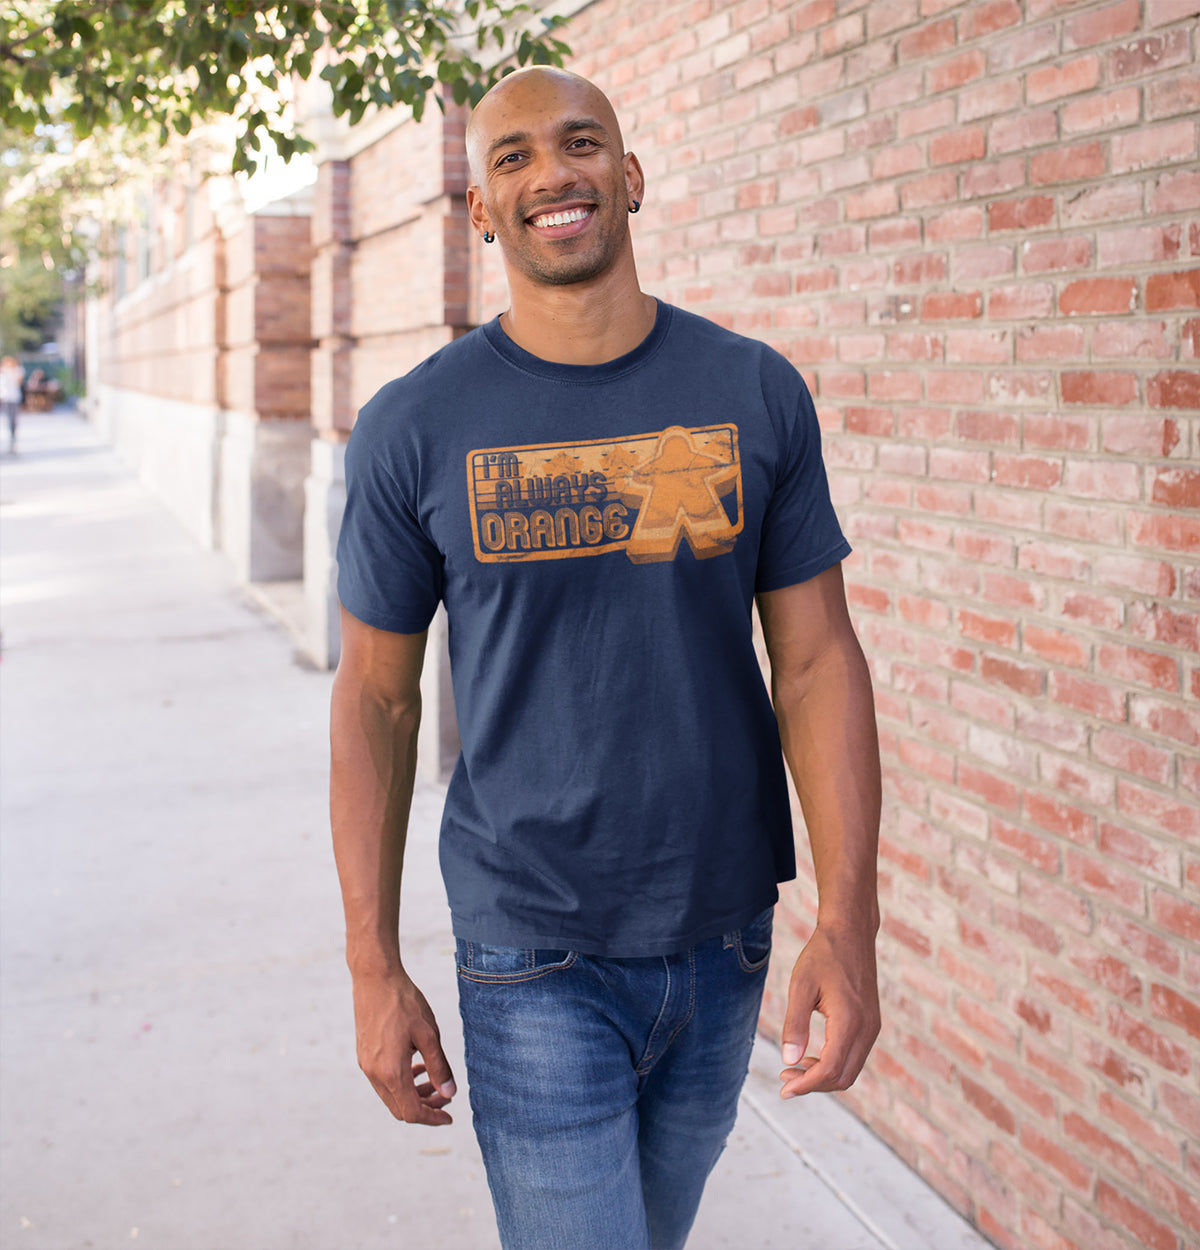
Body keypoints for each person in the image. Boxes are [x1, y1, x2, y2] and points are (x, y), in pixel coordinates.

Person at [330, 66, 881, 1250]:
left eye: (579, 145)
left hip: (725, 934)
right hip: (534, 946)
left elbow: (820, 658)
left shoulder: (751, 390)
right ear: (482, 209)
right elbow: (375, 700)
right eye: (512, 158)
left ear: (628, 178)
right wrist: (374, 966)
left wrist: (849, 920)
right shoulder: (414, 429)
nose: (550, 175)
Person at [0, 356, 25, 453]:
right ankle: (11, 437)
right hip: (5, 397)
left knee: (13, 418)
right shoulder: (2, 372)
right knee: (9, 418)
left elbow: (19, 382)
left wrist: (11, 372)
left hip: (14, 397)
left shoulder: (17, 370)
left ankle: (13, 437)